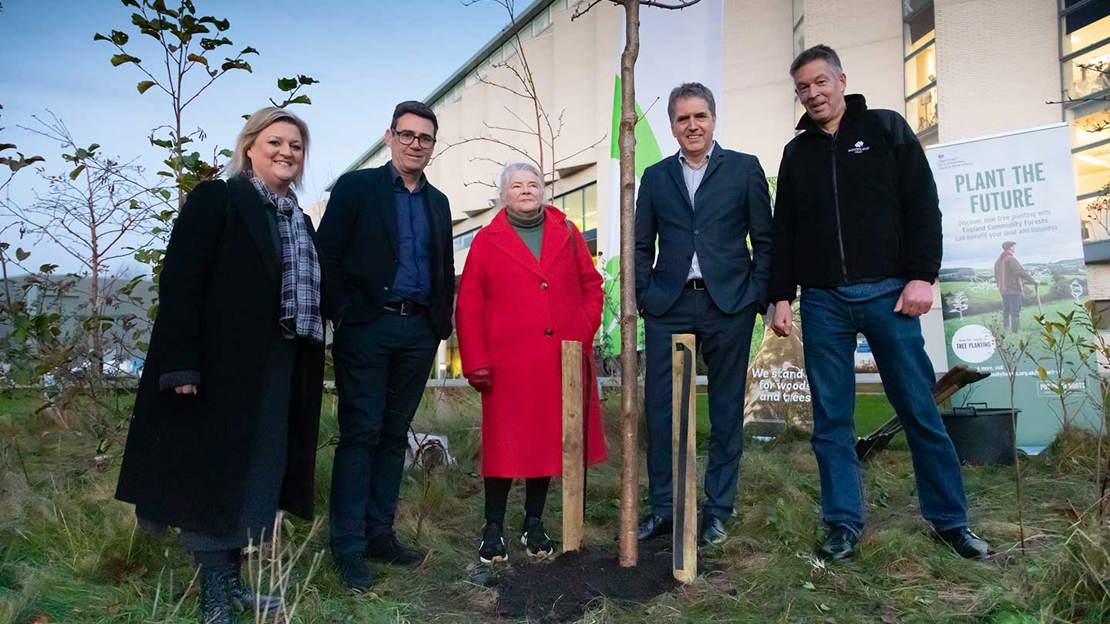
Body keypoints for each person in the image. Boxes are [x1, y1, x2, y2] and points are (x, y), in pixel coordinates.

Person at [769, 44, 990, 561]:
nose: (813, 93)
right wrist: (780, 295)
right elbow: (785, 232)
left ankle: (950, 521)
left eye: (821, 81)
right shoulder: (796, 153)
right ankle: (843, 523)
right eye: (803, 87)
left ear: (841, 80)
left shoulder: (886, 129)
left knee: (917, 406)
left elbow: (921, 205)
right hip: (822, 301)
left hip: (889, 294)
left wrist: (921, 277)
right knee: (832, 420)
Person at [115, 107, 325, 624]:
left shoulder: (297, 218)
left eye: (296, 146)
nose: (286, 152)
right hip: (218, 366)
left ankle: (233, 582)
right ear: (250, 147)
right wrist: (182, 364)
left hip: (278, 364)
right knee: (212, 476)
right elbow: (183, 282)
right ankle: (213, 591)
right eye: (275, 141)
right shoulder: (219, 199)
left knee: (257, 473)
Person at [316, 100, 455, 590]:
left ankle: (380, 535)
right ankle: (348, 546)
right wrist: (346, 313)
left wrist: (440, 322)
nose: (416, 144)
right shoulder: (358, 188)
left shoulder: (437, 201)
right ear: (390, 136)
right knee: (361, 434)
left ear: (433, 145)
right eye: (408, 134)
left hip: (418, 332)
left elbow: (443, 266)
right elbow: (326, 254)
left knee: (395, 436)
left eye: (425, 138)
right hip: (368, 328)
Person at [634, 82, 773, 546]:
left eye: (700, 117)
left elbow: (764, 238)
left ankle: (717, 510)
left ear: (713, 119)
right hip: (668, 303)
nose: (692, 126)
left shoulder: (744, 169)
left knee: (726, 408)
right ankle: (666, 508)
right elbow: (640, 243)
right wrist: (643, 294)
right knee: (661, 411)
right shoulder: (655, 177)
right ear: (671, 125)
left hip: (728, 303)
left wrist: (757, 295)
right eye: (682, 119)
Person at [455, 163, 607, 563]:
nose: (526, 190)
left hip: (561, 361)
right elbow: (469, 305)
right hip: (507, 366)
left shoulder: (568, 233)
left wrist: (583, 327)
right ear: (504, 194)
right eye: (516, 185)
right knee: (504, 447)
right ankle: (492, 527)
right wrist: (475, 361)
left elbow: (592, 285)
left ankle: (534, 522)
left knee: (547, 443)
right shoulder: (487, 241)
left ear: (544, 190)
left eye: (533, 184)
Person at [994, 241, 1036, 332]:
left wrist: (1000, 286)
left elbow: (996, 277)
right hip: (1013, 289)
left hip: (1003, 290)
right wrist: (1033, 281)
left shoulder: (997, 262)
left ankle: (1006, 329)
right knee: (1015, 311)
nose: (1014, 248)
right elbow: (1020, 272)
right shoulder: (1010, 259)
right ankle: (1015, 332)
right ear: (1010, 248)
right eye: (1013, 246)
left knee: (1006, 310)